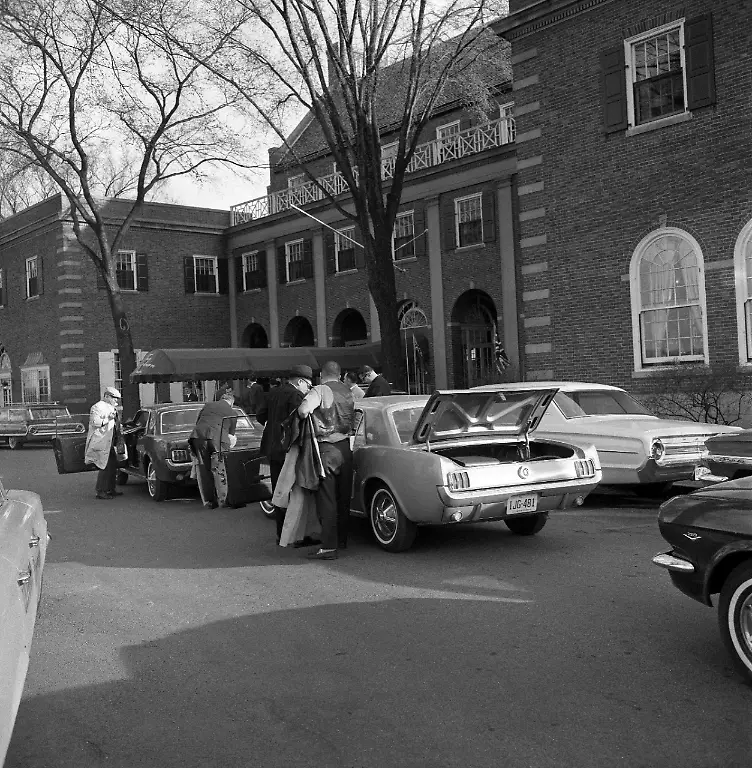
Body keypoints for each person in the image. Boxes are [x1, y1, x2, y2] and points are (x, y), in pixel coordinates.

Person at [298, 360, 355, 560]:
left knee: (327, 499)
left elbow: (304, 410)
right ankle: (342, 540)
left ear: (322, 375)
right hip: (345, 448)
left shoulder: (320, 390)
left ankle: (329, 547)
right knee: (343, 496)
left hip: (326, 448)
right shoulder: (349, 390)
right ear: (339, 375)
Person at [256, 365, 310, 542]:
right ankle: (292, 534)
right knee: (293, 490)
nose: (308, 389)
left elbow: (260, 415)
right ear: (300, 381)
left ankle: (280, 531)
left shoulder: (273, 392)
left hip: (271, 447)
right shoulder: (296, 395)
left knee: (278, 489)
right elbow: (301, 421)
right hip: (287, 447)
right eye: (308, 385)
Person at [188, 386, 238, 509]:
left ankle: (209, 501)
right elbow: (231, 435)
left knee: (203, 469)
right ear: (231, 402)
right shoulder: (232, 412)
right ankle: (223, 500)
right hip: (218, 439)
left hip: (198, 437)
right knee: (220, 468)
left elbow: (198, 422)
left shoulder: (208, 405)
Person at [84, 386, 123, 500]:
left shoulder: (112, 407)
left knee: (112, 465)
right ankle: (101, 491)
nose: (116, 400)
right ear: (107, 396)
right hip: (101, 441)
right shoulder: (97, 407)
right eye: (114, 398)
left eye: (117, 398)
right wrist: (108, 419)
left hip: (110, 442)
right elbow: (95, 422)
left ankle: (110, 489)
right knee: (104, 466)